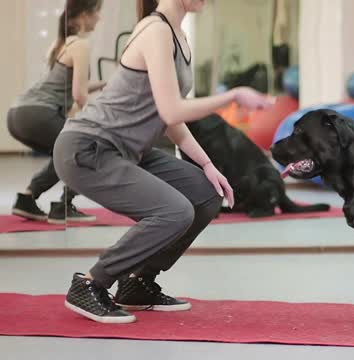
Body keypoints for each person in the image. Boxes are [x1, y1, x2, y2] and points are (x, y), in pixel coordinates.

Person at [53, 0, 273, 324]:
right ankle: (91, 283)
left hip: (130, 151)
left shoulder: (179, 37)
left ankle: (138, 284)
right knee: (174, 211)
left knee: (205, 195)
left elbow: (168, 119)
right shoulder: (155, 31)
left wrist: (208, 165)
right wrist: (232, 96)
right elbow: (171, 110)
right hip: (88, 148)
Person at [8, 0, 106, 224]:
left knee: (63, 152)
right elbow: (79, 95)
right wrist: (94, 123)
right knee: (83, 147)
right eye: (97, 12)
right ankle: (63, 206)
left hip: (18, 114)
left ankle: (27, 199)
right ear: (83, 15)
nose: (99, 18)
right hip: (37, 114)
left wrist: (103, 84)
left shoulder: (59, 44)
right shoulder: (81, 45)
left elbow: (65, 86)